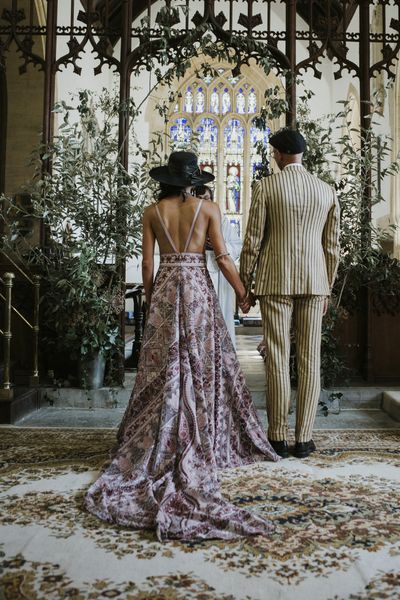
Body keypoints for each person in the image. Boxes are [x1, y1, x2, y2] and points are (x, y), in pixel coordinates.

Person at [85, 151, 279, 542]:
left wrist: (155, 296)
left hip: (168, 286)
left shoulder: (152, 211)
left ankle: (163, 431)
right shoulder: (208, 208)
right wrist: (244, 293)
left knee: (165, 363)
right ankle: (201, 428)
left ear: (166, 180)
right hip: (196, 288)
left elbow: (145, 265)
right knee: (201, 359)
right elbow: (222, 257)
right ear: (193, 180)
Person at [240, 130, 340, 459]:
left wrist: (246, 283)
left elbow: (253, 240)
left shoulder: (266, 187)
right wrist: (327, 286)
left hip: (275, 281)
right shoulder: (326, 191)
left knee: (278, 359)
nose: (273, 158)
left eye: (274, 153)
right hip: (315, 283)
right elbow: (331, 247)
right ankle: (305, 439)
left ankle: (278, 437)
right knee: (311, 361)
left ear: (282, 154)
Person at [195, 184, 242, 348]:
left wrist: (218, 246)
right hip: (197, 272)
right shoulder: (189, 220)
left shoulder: (221, 220)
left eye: (206, 199)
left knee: (220, 318)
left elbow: (237, 246)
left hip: (220, 274)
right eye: (199, 199)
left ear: (212, 201)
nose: (202, 203)